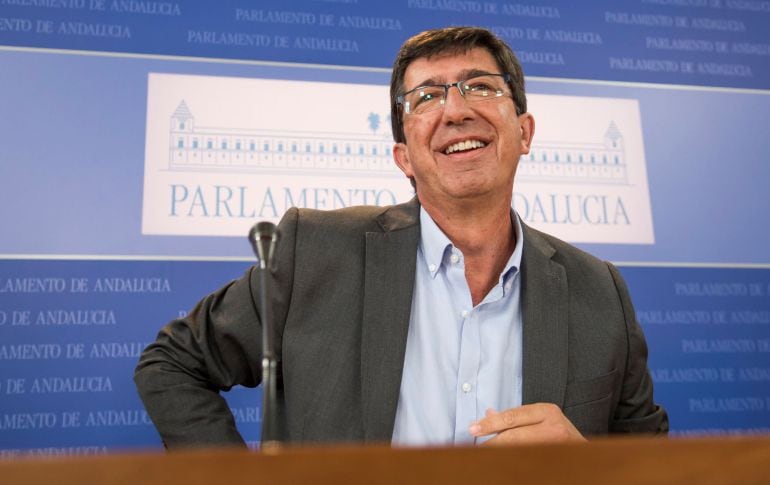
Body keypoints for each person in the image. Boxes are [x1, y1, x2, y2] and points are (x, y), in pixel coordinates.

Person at [134, 26, 668, 448]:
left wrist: (588, 465)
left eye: (479, 86)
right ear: (403, 157)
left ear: (524, 132)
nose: (456, 110)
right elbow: (174, 363)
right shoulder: (313, 251)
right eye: (427, 97)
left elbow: (651, 458)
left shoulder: (600, 291)